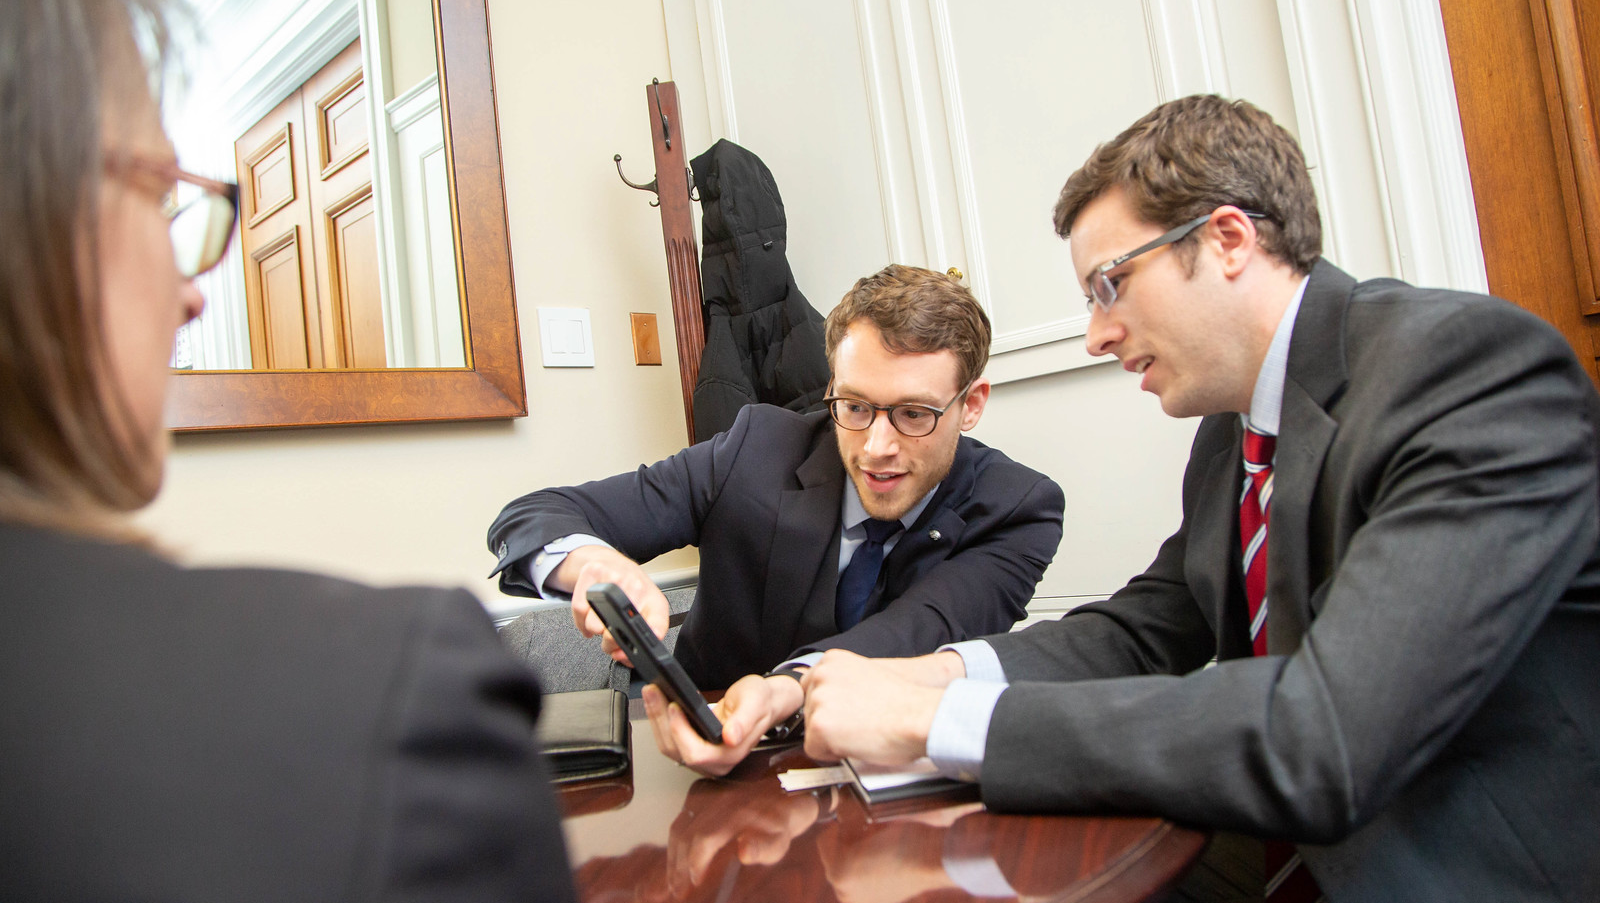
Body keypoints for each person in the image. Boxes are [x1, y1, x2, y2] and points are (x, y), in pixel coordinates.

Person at [799, 94, 1600, 902]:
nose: (1095, 334)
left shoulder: (1466, 373)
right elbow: (1145, 628)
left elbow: (1324, 737)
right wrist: (935, 678)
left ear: (1226, 240)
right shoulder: (1234, 431)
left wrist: (936, 726)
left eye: (1110, 284)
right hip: (1274, 851)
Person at [0, 3, 575, 900]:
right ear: (32, 216)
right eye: (159, 196)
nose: (194, 297)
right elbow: (534, 517)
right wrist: (588, 562)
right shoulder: (394, 703)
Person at [489, 264, 1064, 772]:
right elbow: (533, 515)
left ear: (973, 404)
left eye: (914, 413)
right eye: (856, 407)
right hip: (696, 759)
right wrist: (589, 562)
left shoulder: (1018, 509)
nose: (876, 446)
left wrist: (786, 689)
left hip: (884, 782)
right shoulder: (755, 449)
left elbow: (917, 631)